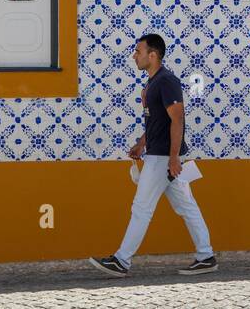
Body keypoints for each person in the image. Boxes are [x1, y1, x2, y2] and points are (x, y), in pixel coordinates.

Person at [90, 33, 218, 277]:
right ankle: (206, 255)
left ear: (153, 55)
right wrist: (141, 143)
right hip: (159, 155)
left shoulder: (166, 81)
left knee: (141, 208)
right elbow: (157, 122)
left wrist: (173, 158)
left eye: (138, 51)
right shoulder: (153, 83)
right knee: (187, 207)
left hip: (162, 159)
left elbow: (177, 118)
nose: (134, 56)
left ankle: (121, 260)